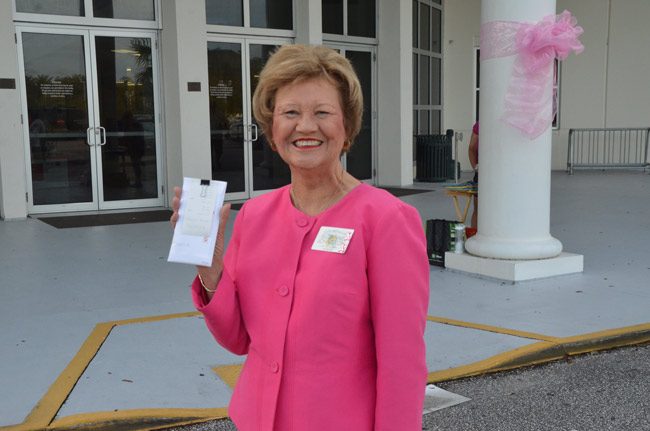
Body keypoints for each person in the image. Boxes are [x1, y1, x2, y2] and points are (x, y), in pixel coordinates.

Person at [170, 44, 430, 431]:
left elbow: (401, 362)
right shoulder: (255, 216)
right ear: (273, 131)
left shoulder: (386, 219)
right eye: (290, 113)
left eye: (322, 112)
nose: (305, 126)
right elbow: (239, 339)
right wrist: (211, 267)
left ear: (347, 127)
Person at [468, 121, 479, 229]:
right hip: (481, 173)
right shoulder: (479, 125)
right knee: (478, 209)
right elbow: (471, 148)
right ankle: (473, 234)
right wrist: (475, 167)